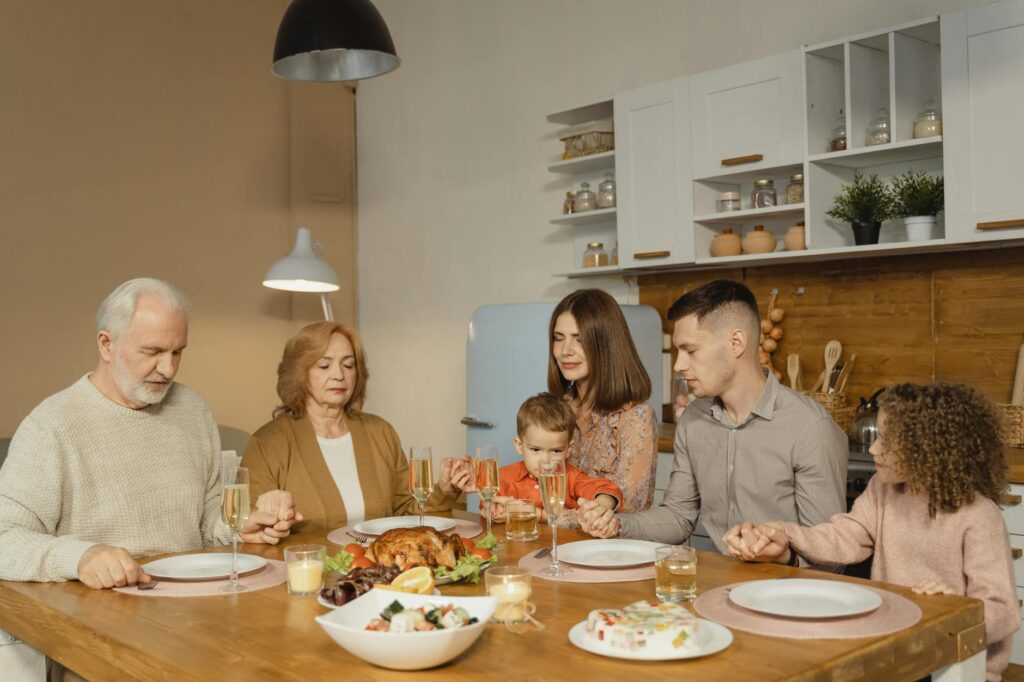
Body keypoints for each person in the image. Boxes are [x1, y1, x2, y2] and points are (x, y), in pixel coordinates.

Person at [0, 278, 295, 591]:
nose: (168, 369)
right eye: (153, 351)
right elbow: (5, 537)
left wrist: (239, 527)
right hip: (101, 605)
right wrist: (81, 556)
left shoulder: (192, 408)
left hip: (191, 598)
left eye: (177, 352)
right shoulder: (51, 425)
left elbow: (206, 520)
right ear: (106, 344)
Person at [724, 382, 1020, 682]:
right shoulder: (884, 489)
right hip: (900, 650)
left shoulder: (979, 516)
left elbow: (1003, 611)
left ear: (928, 448)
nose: (873, 448)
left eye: (887, 441)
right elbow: (847, 535)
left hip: (956, 664)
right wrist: (785, 534)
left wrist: (955, 609)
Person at [578, 279, 847, 563]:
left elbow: (832, 556)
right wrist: (616, 524)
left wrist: (783, 557)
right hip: (721, 581)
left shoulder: (810, 428)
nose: (679, 365)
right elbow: (678, 516)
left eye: (691, 350)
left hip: (790, 587)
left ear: (736, 343)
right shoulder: (694, 419)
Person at [241, 322, 462, 535]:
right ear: (299, 373)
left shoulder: (380, 432)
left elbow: (407, 510)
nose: (339, 375)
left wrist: (445, 490)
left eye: (348, 365)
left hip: (379, 560)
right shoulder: (267, 443)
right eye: (324, 366)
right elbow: (252, 527)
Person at [547, 289, 658, 528]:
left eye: (580, 339)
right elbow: (535, 482)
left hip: (612, 547)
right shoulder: (558, 410)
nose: (565, 350)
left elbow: (628, 510)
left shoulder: (636, 418)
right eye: (558, 337)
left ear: (606, 344)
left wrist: (539, 514)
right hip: (558, 542)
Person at [456, 393, 622, 522]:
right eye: (536, 449)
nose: (546, 460)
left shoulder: (571, 478)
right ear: (519, 446)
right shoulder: (504, 477)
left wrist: (600, 507)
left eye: (556, 451)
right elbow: (486, 503)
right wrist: (492, 509)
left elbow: (606, 489)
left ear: (568, 449)